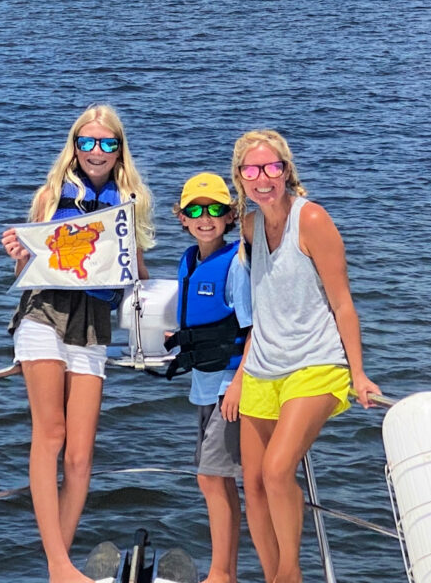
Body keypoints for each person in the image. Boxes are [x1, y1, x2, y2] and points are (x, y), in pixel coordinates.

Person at [1, 104, 154, 583]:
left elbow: (138, 276)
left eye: (107, 143)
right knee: (51, 434)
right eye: (87, 142)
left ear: (119, 151)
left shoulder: (128, 202)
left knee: (81, 454)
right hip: (44, 313)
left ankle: (57, 565)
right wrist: (19, 255)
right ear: (74, 147)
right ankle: (59, 564)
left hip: (93, 323)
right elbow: (28, 271)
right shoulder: (50, 196)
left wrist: (131, 257)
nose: (96, 151)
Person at [222, 129, 379, 583]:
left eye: (272, 167)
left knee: (275, 472)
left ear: (287, 170)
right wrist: (240, 374)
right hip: (262, 369)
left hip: (315, 366)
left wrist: (359, 373)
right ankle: (274, 575)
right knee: (252, 487)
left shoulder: (311, 220)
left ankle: (288, 575)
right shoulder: (249, 227)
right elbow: (260, 304)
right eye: (252, 171)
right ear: (241, 178)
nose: (263, 178)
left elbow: (343, 302)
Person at [165, 172, 252, 583]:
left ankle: (220, 574)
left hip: (227, 387)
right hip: (203, 385)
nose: (205, 217)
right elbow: (207, 321)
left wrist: (237, 386)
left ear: (230, 215)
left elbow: (253, 330)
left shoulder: (236, 265)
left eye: (215, 209)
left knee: (210, 478)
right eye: (195, 210)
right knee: (215, 481)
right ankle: (226, 573)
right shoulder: (189, 260)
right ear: (182, 217)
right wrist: (180, 338)